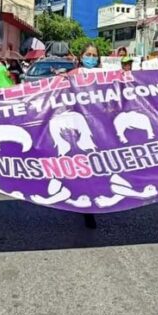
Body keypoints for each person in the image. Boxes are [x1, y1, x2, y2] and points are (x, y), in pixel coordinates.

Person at [69, 43, 101, 229]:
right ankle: (84, 203)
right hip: (77, 127)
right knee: (81, 165)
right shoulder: (73, 75)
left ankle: (89, 205)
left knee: (93, 166)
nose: (91, 57)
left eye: (94, 55)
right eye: (88, 54)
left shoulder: (104, 75)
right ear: (81, 57)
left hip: (98, 128)